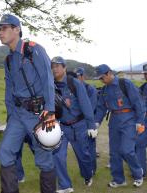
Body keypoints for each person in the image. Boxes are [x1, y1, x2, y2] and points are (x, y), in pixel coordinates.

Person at [0, 14, 56, 193]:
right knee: (5, 153)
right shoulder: (9, 60)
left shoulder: (33, 50)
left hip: (38, 114)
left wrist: (50, 111)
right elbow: (9, 90)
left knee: (44, 160)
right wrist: (11, 115)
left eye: (4, 28)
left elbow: (47, 80)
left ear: (17, 29)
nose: (0, 32)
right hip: (17, 116)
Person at [51, 57, 97, 193]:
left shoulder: (74, 83)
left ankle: (88, 175)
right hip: (61, 126)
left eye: (58, 66)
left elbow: (86, 105)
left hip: (78, 126)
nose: (55, 69)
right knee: (57, 155)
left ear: (64, 68)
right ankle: (65, 185)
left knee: (83, 156)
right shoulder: (50, 85)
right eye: (53, 66)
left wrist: (91, 126)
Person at [95, 64, 145, 188]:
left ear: (109, 73)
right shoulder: (105, 90)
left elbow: (138, 103)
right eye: (100, 79)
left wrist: (140, 121)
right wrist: (96, 122)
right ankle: (118, 179)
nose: (101, 80)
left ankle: (138, 174)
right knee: (114, 152)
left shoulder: (125, 84)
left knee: (127, 150)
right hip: (114, 121)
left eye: (102, 78)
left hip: (129, 119)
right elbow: (101, 108)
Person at [75, 67, 98, 172]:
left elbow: (91, 107)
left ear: (83, 77)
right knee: (81, 147)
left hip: (87, 121)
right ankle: (86, 169)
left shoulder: (90, 89)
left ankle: (92, 168)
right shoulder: (72, 88)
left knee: (90, 146)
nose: (76, 79)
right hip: (76, 122)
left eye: (78, 76)